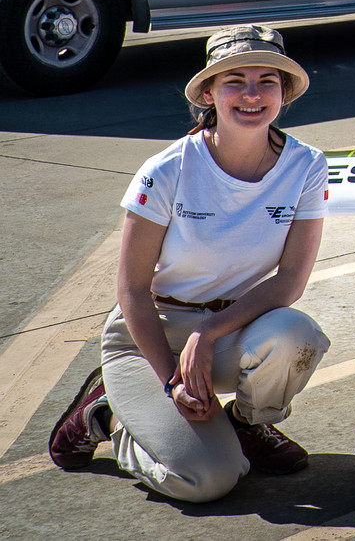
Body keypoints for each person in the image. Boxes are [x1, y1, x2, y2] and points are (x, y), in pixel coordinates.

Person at [49, 26, 330, 501]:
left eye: (267, 81)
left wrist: (209, 332)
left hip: (226, 331)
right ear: (208, 93)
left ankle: (246, 424)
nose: (252, 94)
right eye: (234, 81)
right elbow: (132, 290)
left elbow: (290, 280)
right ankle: (107, 414)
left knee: (295, 335)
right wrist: (169, 381)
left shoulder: (307, 165)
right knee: (208, 480)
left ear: (284, 93)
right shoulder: (167, 168)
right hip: (150, 336)